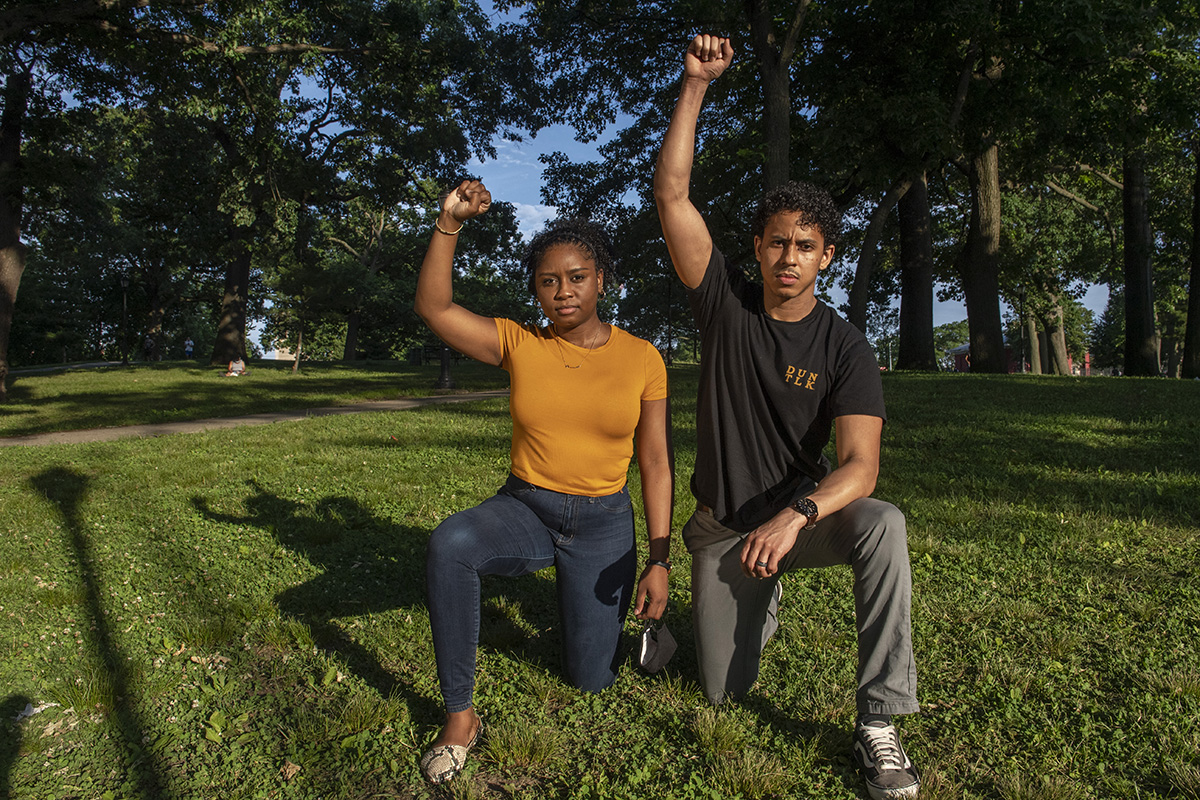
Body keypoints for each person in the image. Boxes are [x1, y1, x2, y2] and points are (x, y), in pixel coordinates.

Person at [653, 35, 920, 800]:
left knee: (884, 522)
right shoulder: (725, 304)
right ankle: (753, 613)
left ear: (827, 256)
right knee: (720, 697)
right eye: (777, 243)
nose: (789, 258)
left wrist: (798, 514)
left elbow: (861, 467)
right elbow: (672, 198)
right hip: (722, 529)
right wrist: (696, 86)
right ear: (758, 249)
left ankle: (879, 720)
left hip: (797, 522)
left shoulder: (846, 347)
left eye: (805, 246)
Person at [413, 180, 674, 784]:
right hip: (527, 507)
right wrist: (448, 224)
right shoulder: (520, 343)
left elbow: (655, 463)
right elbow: (435, 309)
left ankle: (585, 609)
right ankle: (460, 718)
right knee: (451, 545)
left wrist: (658, 559)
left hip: (605, 521)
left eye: (577, 277)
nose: (562, 292)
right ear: (535, 289)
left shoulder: (642, 357)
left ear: (601, 280)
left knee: (589, 679)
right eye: (548, 281)